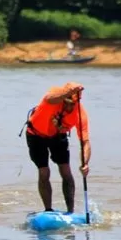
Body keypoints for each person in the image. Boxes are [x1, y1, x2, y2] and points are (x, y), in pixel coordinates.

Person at [22, 82, 91, 213]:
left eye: (73, 103)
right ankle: (48, 210)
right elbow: (50, 98)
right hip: (36, 135)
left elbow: (85, 142)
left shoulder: (80, 114)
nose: (69, 106)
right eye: (67, 102)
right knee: (44, 172)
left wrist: (85, 163)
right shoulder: (53, 98)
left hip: (58, 136)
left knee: (66, 171)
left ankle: (70, 211)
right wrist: (68, 93)